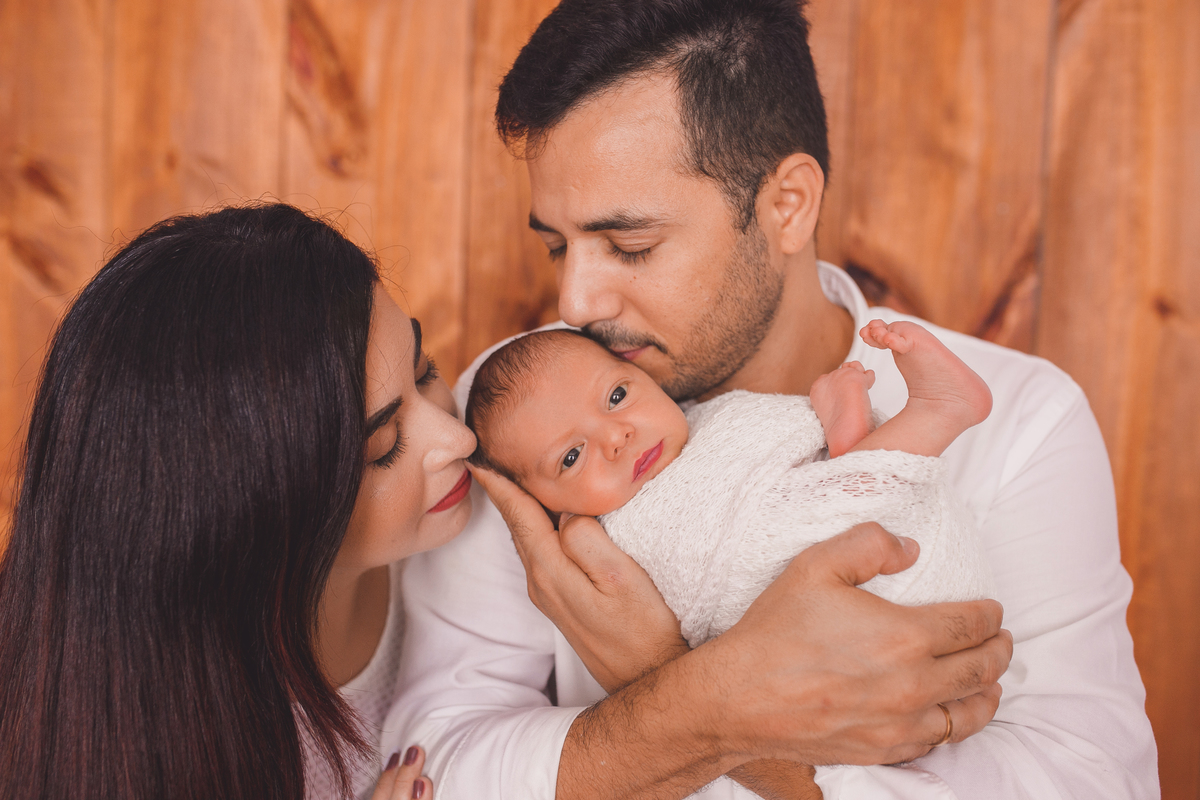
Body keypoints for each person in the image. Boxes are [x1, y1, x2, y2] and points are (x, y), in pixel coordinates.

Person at [390, 0, 1158, 798]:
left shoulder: (1026, 426)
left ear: (786, 205)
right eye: (557, 245)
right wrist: (705, 714)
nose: (576, 299)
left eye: (630, 246)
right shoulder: (526, 410)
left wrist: (666, 682)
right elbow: (427, 765)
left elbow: (1092, 780)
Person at [0, 204, 470, 800]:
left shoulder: (474, 563)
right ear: (251, 510)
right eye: (382, 446)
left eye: (424, 370)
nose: (459, 440)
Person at [464, 321, 992, 648]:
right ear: (542, 506)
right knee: (795, 529)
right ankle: (932, 415)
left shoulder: (706, 422)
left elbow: (767, 450)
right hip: (868, 619)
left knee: (820, 501)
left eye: (618, 397)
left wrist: (810, 432)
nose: (617, 436)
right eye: (572, 456)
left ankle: (846, 442)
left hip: (918, 556)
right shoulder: (612, 545)